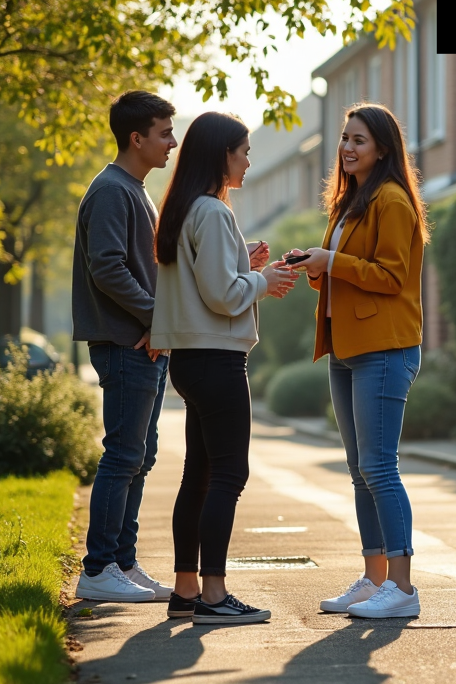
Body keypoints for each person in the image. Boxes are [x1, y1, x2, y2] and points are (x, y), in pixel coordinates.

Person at [151, 112, 297, 625]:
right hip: (216, 360)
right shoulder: (212, 211)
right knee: (229, 473)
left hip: (191, 361)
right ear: (222, 155)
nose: (248, 161)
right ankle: (213, 594)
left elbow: (205, 284)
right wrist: (265, 280)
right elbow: (222, 296)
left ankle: (186, 589)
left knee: (201, 473)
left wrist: (248, 268)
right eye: (244, 151)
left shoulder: (185, 209)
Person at [287, 103, 429, 619]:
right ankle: (374, 580)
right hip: (346, 349)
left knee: (379, 467)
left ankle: (404, 588)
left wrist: (333, 262)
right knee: (359, 468)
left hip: (385, 350)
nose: (347, 148)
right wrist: (315, 264)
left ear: (383, 149)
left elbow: (391, 276)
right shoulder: (349, 203)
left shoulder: (392, 201)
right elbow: (347, 272)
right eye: (345, 138)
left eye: (359, 141)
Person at [72, 91, 179, 603]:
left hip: (144, 343)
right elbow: (108, 267)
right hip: (123, 344)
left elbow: (147, 267)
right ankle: (98, 568)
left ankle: (122, 562)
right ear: (136, 138)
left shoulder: (135, 189)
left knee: (141, 455)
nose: (172, 143)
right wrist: (156, 318)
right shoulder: (113, 190)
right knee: (123, 456)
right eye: (164, 133)